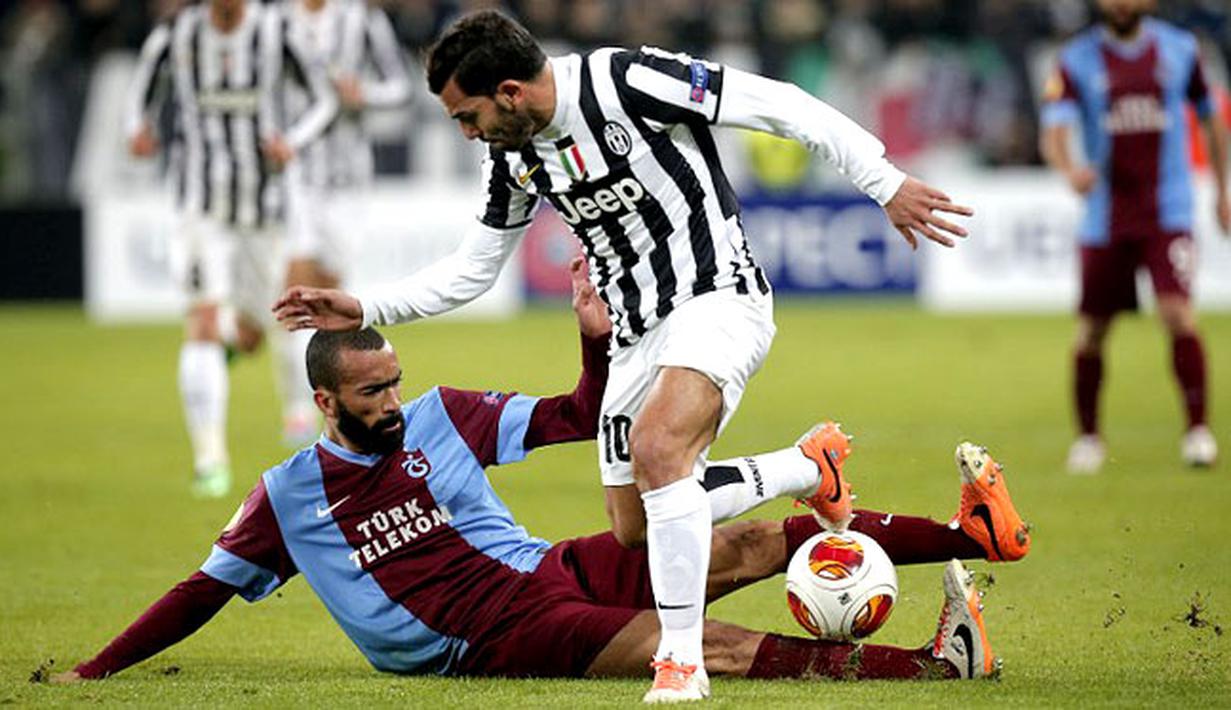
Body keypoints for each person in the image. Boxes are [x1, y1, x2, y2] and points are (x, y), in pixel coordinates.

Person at [272, 10, 981, 701]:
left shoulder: (627, 81)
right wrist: (366, 308)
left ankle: (680, 664)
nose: (466, 133)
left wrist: (884, 183)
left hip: (717, 296)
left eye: (468, 115)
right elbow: (474, 268)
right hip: (635, 335)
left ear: (510, 93)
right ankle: (804, 467)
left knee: (659, 447)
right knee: (636, 527)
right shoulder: (513, 156)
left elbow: (782, 105)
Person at [53, 261, 1022, 688]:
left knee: (744, 541)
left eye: (395, 382)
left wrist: (593, 341)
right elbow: (202, 590)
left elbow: (574, 414)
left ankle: (969, 534)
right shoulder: (288, 494)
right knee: (696, 645)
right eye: (372, 393)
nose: (392, 402)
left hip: (547, 569)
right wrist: (95, 670)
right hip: (488, 637)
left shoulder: (443, 416)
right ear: (325, 402)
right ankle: (935, 666)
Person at [126, 0, 338, 496]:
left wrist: (293, 140)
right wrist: (136, 130)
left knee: (254, 331)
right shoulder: (176, 35)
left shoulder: (276, 32)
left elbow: (324, 99)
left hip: (264, 208)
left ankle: (253, 368)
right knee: (202, 319)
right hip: (199, 205)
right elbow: (139, 96)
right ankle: (210, 460)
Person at [1040, 0, 1229, 474]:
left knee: (1178, 314)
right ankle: (1088, 438)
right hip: (1105, 217)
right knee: (1092, 331)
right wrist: (1069, 170)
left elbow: (1211, 117)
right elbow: (1054, 129)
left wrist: (1222, 191)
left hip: (1168, 210)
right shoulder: (1076, 58)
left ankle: (1198, 432)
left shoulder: (1181, 49)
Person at [277, 0, 413, 446]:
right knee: (296, 288)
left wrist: (365, 94)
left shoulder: (363, 20)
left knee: (327, 295)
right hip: (293, 171)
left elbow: (401, 86)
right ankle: (296, 410)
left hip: (347, 179)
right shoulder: (276, 22)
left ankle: (318, 403)